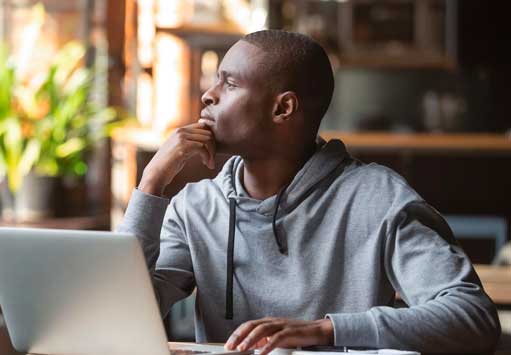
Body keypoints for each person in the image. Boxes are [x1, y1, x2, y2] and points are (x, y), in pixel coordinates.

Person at [118, 30, 500, 354]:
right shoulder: (195, 207)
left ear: (283, 108)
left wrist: (326, 330)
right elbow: (119, 314)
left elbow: (472, 316)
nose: (208, 95)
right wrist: (151, 183)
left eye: (229, 83)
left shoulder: (376, 197)